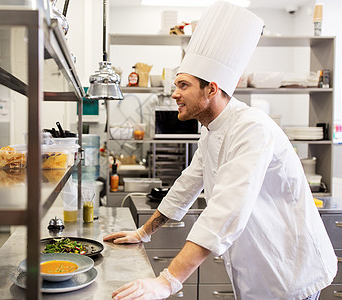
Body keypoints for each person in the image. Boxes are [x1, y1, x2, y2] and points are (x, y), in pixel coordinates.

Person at [103, 1, 338, 300]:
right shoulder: (212, 128)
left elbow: (227, 210)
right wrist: (144, 232)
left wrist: (167, 281)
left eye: (183, 85)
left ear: (211, 89)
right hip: (256, 269)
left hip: (289, 274)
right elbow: (188, 184)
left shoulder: (252, 129)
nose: (174, 93)